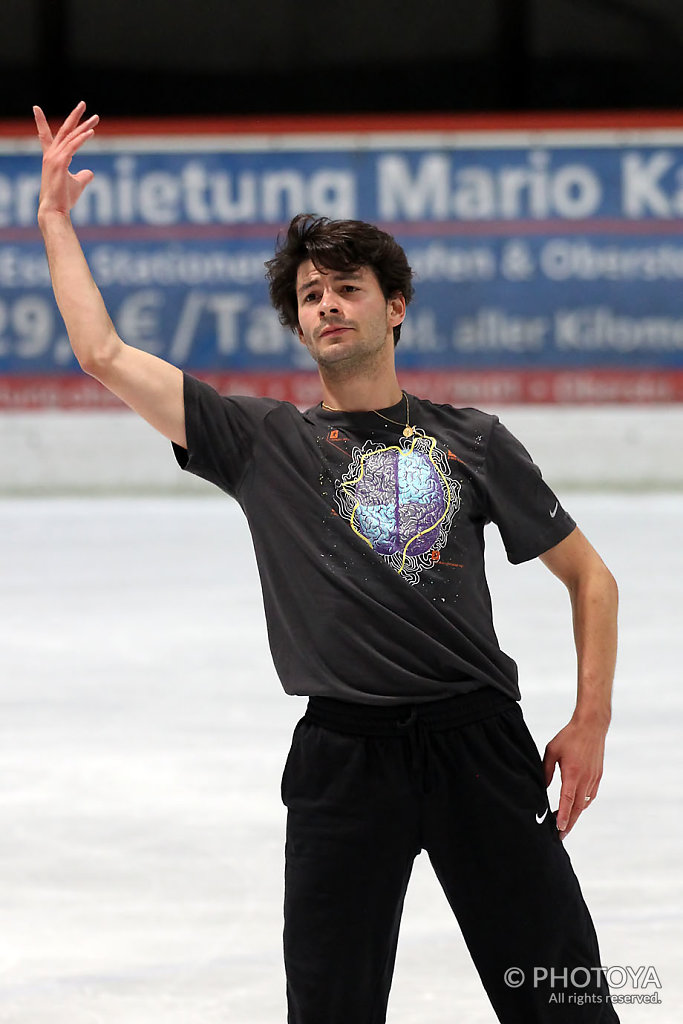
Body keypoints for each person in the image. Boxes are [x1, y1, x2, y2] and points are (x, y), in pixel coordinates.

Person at [34, 102, 620, 1023]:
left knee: (562, 999)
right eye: (311, 296)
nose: (327, 305)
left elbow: (591, 578)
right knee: (330, 1009)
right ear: (299, 325)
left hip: (479, 747)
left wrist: (588, 721)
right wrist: (56, 225)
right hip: (343, 758)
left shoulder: (472, 440)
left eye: (346, 288)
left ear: (393, 307)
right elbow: (102, 354)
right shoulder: (261, 442)